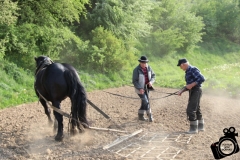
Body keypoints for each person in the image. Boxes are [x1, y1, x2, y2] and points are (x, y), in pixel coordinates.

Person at [177, 58, 205, 134]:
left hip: (196, 90)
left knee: (190, 109)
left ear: (183, 64)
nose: (180, 68)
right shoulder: (188, 71)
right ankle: (200, 126)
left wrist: (192, 84)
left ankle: (193, 129)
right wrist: (181, 91)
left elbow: (202, 78)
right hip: (193, 90)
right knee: (196, 108)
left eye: (180, 66)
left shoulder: (192, 69)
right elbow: (188, 85)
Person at [132, 55, 155, 122]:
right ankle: (150, 116)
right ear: (140, 62)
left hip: (147, 88)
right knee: (146, 101)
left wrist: (151, 82)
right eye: (142, 63)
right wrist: (140, 88)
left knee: (144, 102)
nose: (144, 64)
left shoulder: (149, 68)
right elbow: (135, 81)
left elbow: (153, 76)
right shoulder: (136, 70)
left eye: (145, 63)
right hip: (140, 89)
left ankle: (140, 116)